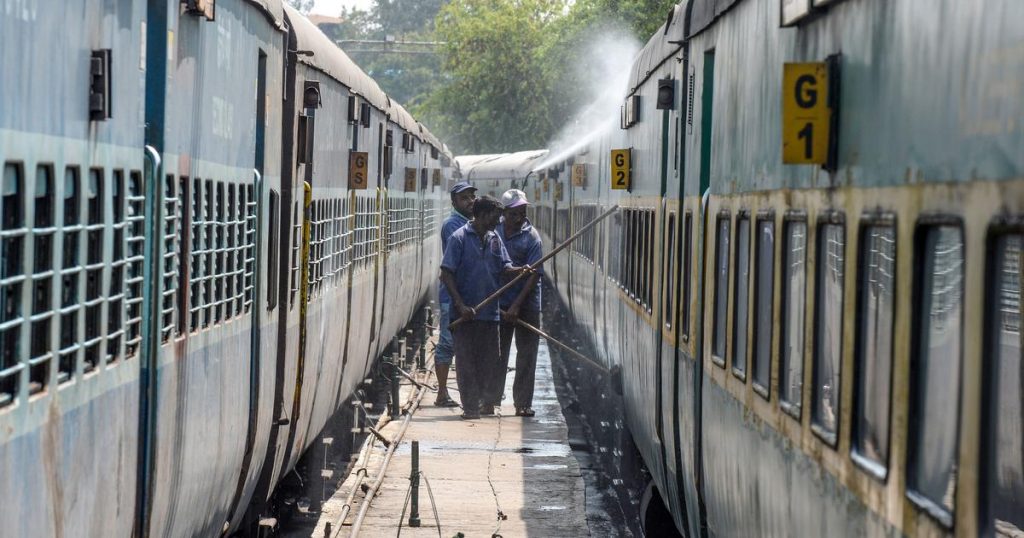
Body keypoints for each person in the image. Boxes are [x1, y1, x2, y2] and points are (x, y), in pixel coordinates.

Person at [439, 196, 527, 419]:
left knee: (489, 362)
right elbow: (446, 274)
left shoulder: (494, 238)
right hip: (465, 315)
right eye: (496, 216)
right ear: (483, 215)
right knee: (466, 363)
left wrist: (519, 271)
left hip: (490, 313)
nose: (498, 221)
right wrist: (460, 304)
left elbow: (504, 266)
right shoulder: (458, 239)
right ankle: (470, 408)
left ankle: (484, 403)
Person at [495, 189, 544, 417]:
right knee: (497, 353)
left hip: (526, 304)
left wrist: (516, 305)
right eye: (515, 213)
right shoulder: (495, 233)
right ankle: (492, 399)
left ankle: (522, 403)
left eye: (523, 213)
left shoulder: (532, 237)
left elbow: (533, 275)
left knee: (526, 355)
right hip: (500, 303)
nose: (520, 217)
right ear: (505, 213)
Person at [434, 181, 477, 407]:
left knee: (464, 346)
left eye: (472, 197)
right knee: (447, 343)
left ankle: (465, 394)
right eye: (464, 198)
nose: (470, 202)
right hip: (452, 296)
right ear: (454, 202)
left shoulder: (470, 223)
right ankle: (442, 393)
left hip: (466, 294)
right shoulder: (453, 225)